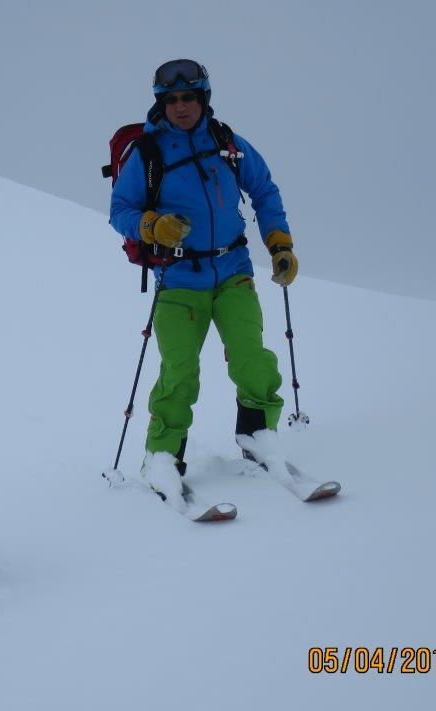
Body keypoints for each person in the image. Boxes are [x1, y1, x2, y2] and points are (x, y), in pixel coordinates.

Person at [109, 58, 299, 508]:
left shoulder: (227, 143)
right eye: (171, 99)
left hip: (233, 270)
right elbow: (120, 210)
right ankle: (162, 457)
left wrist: (279, 244)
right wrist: (151, 226)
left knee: (252, 358)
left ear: (203, 99)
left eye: (189, 97)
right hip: (177, 279)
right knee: (179, 372)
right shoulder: (148, 153)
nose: (180, 107)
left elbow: (264, 190)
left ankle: (257, 435)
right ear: (161, 104)